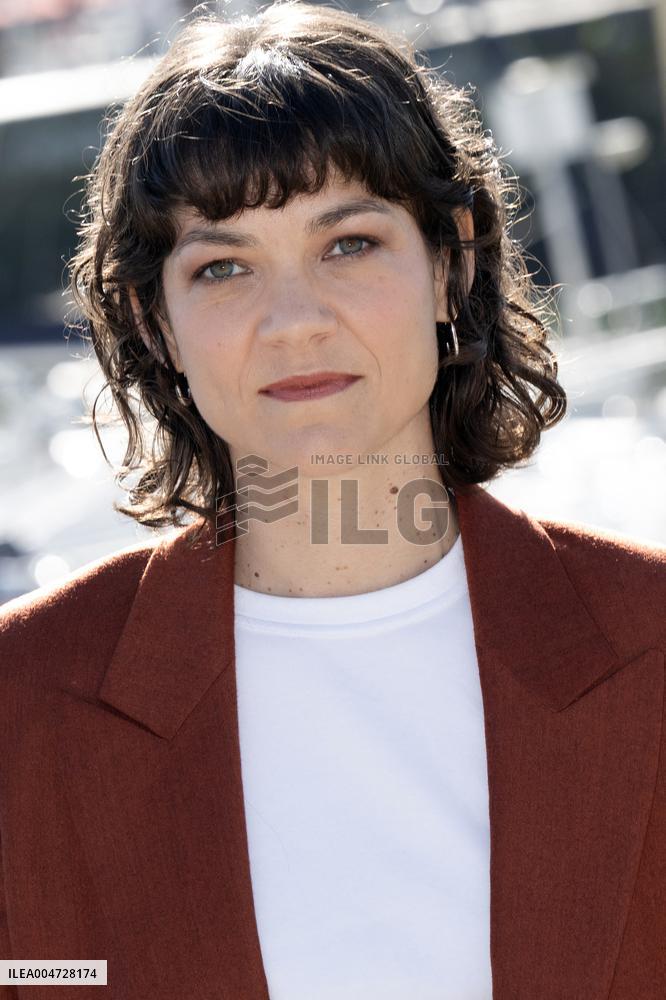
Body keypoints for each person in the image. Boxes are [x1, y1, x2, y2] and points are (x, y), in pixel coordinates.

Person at [1, 1, 665, 997]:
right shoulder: (24, 711)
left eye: (347, 244)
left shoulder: (650, 646)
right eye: (223, 266)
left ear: (452, 262)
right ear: (157, 323)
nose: (294, 320)